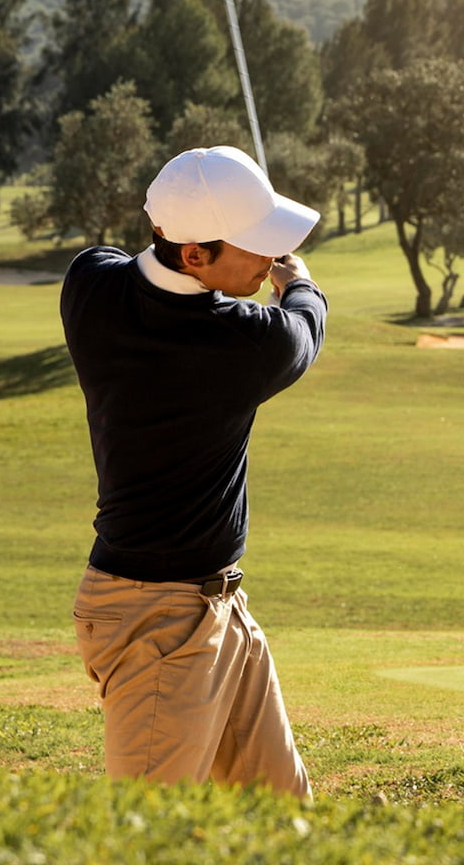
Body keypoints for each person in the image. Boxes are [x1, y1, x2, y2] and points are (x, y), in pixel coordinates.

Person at [59, 145, 325, 797]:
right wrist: (299, 281)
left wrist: (226, 242)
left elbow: (134, 265)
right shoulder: (245, 345)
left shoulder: (88, 286)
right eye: (254, 245)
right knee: (151, 836)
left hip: (216, 605)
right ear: (196, 254)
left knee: (283, 814)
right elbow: (306, 326)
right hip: (155, 621)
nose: (267, 259)